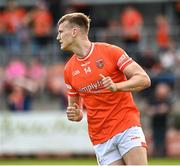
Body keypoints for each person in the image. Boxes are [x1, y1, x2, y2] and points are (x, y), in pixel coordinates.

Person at [56, 13, 151, 165]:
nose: (57, 37)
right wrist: (76, 114)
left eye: (61, 32)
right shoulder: (68, 70)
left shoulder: (110, 51)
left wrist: (117, 86)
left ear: (74, 32)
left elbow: (144, 79)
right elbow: (77, 110)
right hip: (100, 136)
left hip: (126, 125)